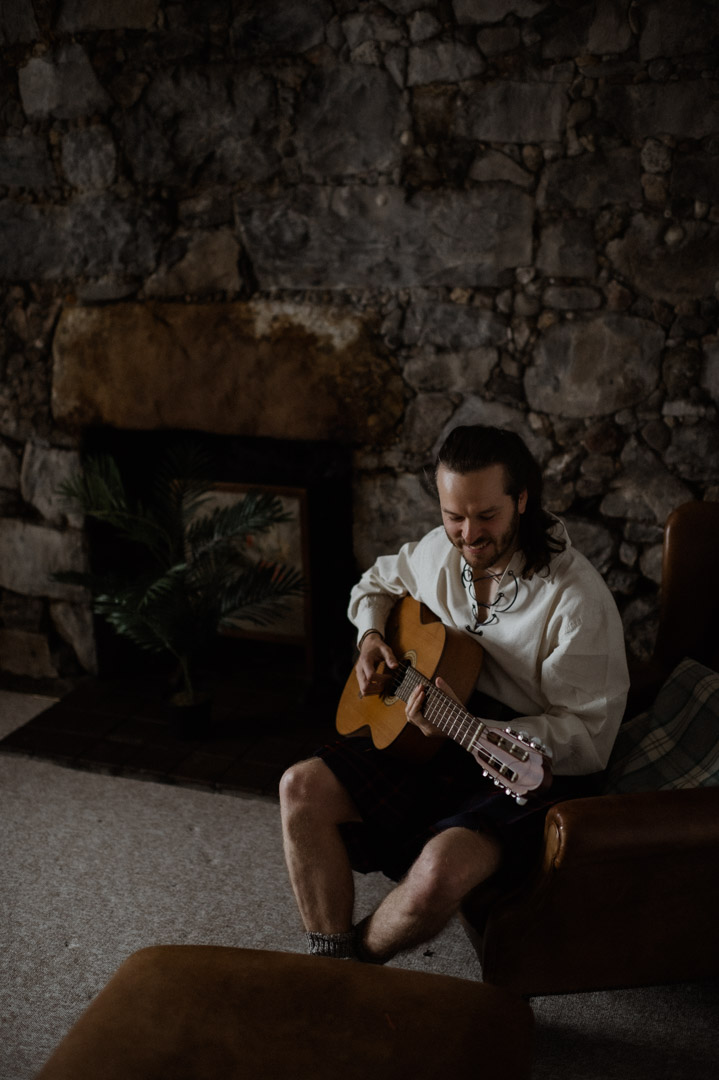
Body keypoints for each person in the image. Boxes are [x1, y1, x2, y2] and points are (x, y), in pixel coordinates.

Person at [279, 424, 629, 963]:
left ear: (521, 500)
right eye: (453, 516)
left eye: (486, 515)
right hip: (433, 732)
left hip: (520, 762)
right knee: (299, 787)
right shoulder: (438, 555)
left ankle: (353, 964)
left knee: (440, 870)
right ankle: (329, 958)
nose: (468, 534)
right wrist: (371, 635)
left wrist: (472, 730)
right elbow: (375, 582)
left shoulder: (577, 599)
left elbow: (589, 738)